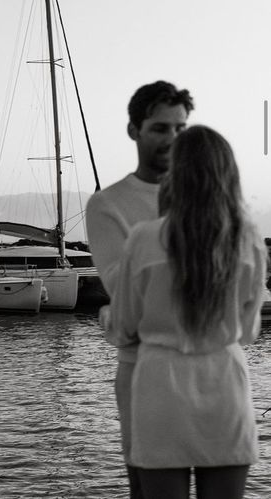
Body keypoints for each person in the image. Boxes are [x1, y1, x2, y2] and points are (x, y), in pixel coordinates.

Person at [111, 125, 266, 499]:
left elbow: (126, 326)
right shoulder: (248, 241)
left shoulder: (145, 238)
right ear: (228, 174)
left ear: (174, 174)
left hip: (160, 387)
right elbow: (247, 332)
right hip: (223, 382)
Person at [86, 80, 194, 498]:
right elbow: (123, 289)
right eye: (160, 128)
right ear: (134, 130)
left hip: (211, 372)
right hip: (144, 371)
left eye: (181, 129)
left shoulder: (206, 197)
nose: (172, 139)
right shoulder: (108, 204)